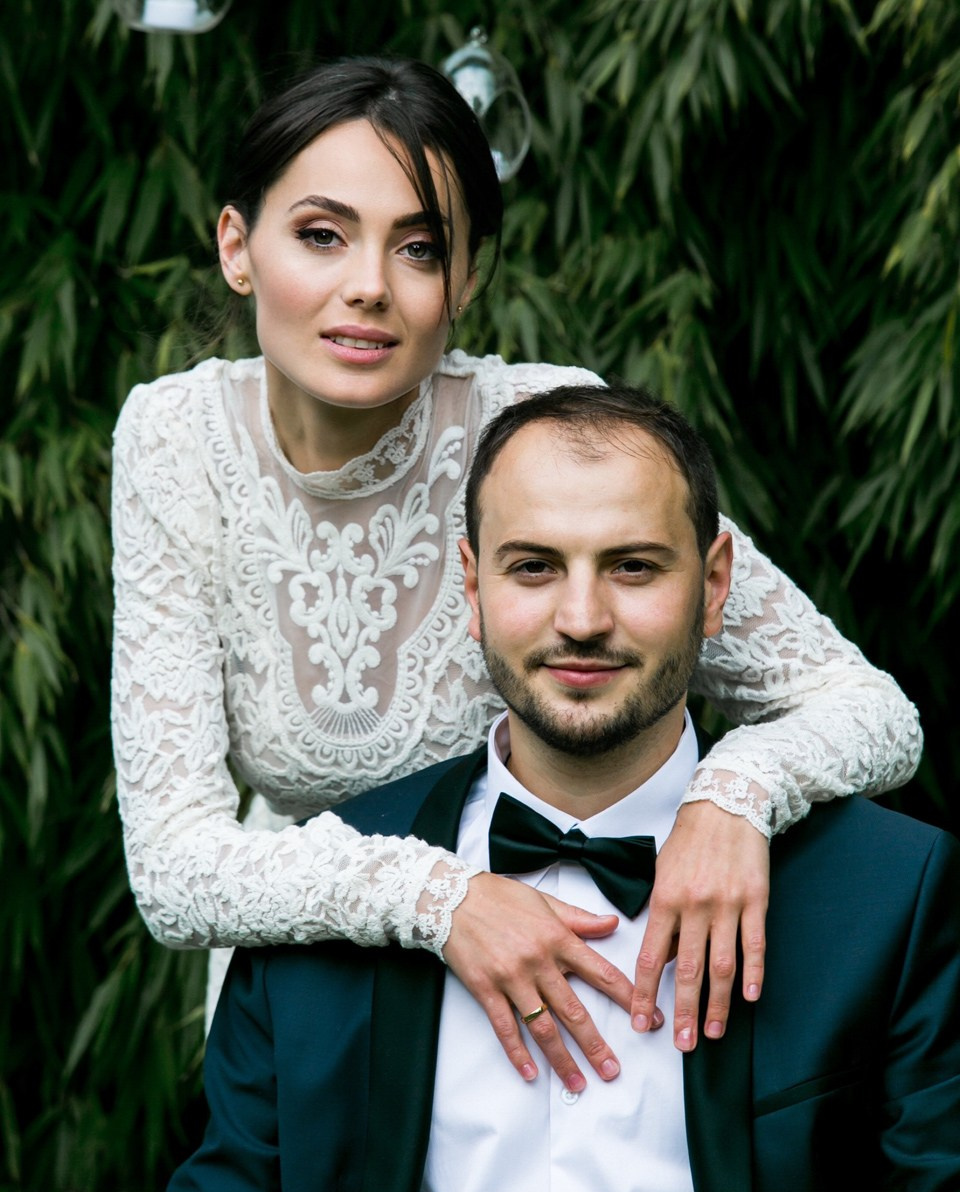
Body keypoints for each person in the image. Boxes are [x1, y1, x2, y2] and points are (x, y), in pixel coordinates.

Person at [110, 56, 922, 1087]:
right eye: (322, 234)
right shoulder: (174, 438)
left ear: (466, 280)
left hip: (585, 957)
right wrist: (442, 897)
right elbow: (175, 868)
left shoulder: (543, 433)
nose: (369, 285)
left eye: (420, 247)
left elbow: (871, 711)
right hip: (310, 988)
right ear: (237, 246)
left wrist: (735, 794)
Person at [165, 384, 960, 1192]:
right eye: (534, 568)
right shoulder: (320, 896)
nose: (582, 619)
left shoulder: (889, 895)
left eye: (633, 567)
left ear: (716, 584)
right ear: (472, 588)